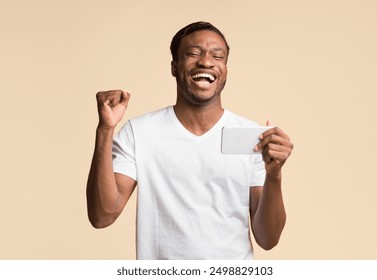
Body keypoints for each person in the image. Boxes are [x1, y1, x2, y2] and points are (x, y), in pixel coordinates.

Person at [86, 21, 293, 260]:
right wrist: (105, 128)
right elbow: (102, 216)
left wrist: (274, 174)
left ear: (225, 69)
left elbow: (268, 239)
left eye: (218, 56)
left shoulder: (251, 136)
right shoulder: (140, 132)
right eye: (193, 53)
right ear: (174, 67)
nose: (206, 61)